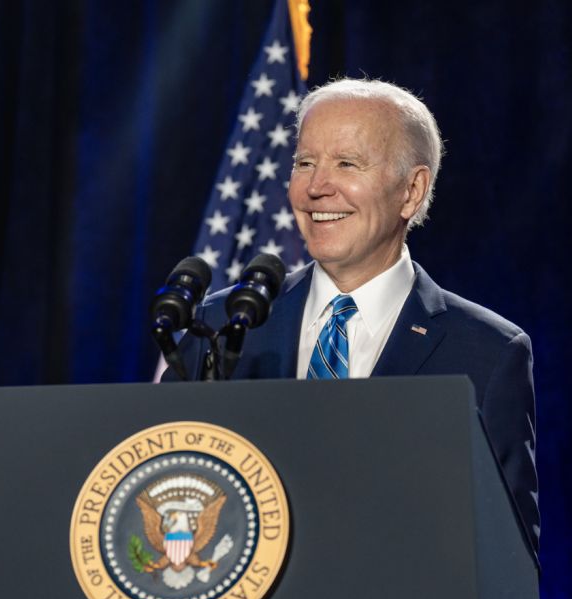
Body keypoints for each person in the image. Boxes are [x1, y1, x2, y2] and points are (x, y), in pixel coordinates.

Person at [164, 78, 539, 560]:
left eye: (347, 163)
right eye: (304, 163)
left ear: (412, 190)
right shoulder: (219, 326)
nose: (317, 187)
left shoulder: (486, 353)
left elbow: (508, 564)